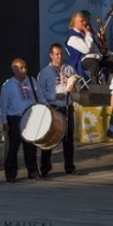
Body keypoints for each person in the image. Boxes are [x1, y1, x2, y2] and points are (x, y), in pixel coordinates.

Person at [0, 58, 48, 182]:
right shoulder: (8, 85)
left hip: (31, 118)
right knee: (13, 147)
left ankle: (33, 171)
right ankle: (11, 174)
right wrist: (4, 121)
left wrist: (47, 110)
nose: (24, 70)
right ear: (14, 70)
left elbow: (41, 96)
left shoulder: (32, 81)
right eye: (20, 68)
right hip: (15, 119)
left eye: (24, 67)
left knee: (31, 147)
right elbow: (3, 105)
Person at [37, 43, 78, 177]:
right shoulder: (45, 72)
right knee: (50, 139)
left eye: (61, 53)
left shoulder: (69, 69)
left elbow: (77, 87)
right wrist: (54, 96)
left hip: (67, 107)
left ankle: (69, 167)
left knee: (68, 139)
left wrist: (74, 89)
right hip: (53, 108)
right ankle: (45, 169)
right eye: (56, 54)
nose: (59, 56)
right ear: (51, 55)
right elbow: (40, 93)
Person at [66, 11, 113, 83]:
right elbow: (86, 49)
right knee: (93, 62)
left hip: (95, 56)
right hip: (82, 60)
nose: (84, 23)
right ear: (74, 23)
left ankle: (111, 81)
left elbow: (97, 43)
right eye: (81, 21)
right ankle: (95, 85)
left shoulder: (85, 31)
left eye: (84, 21)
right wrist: (87, 33)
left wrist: (101, 36)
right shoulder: (73, 37)